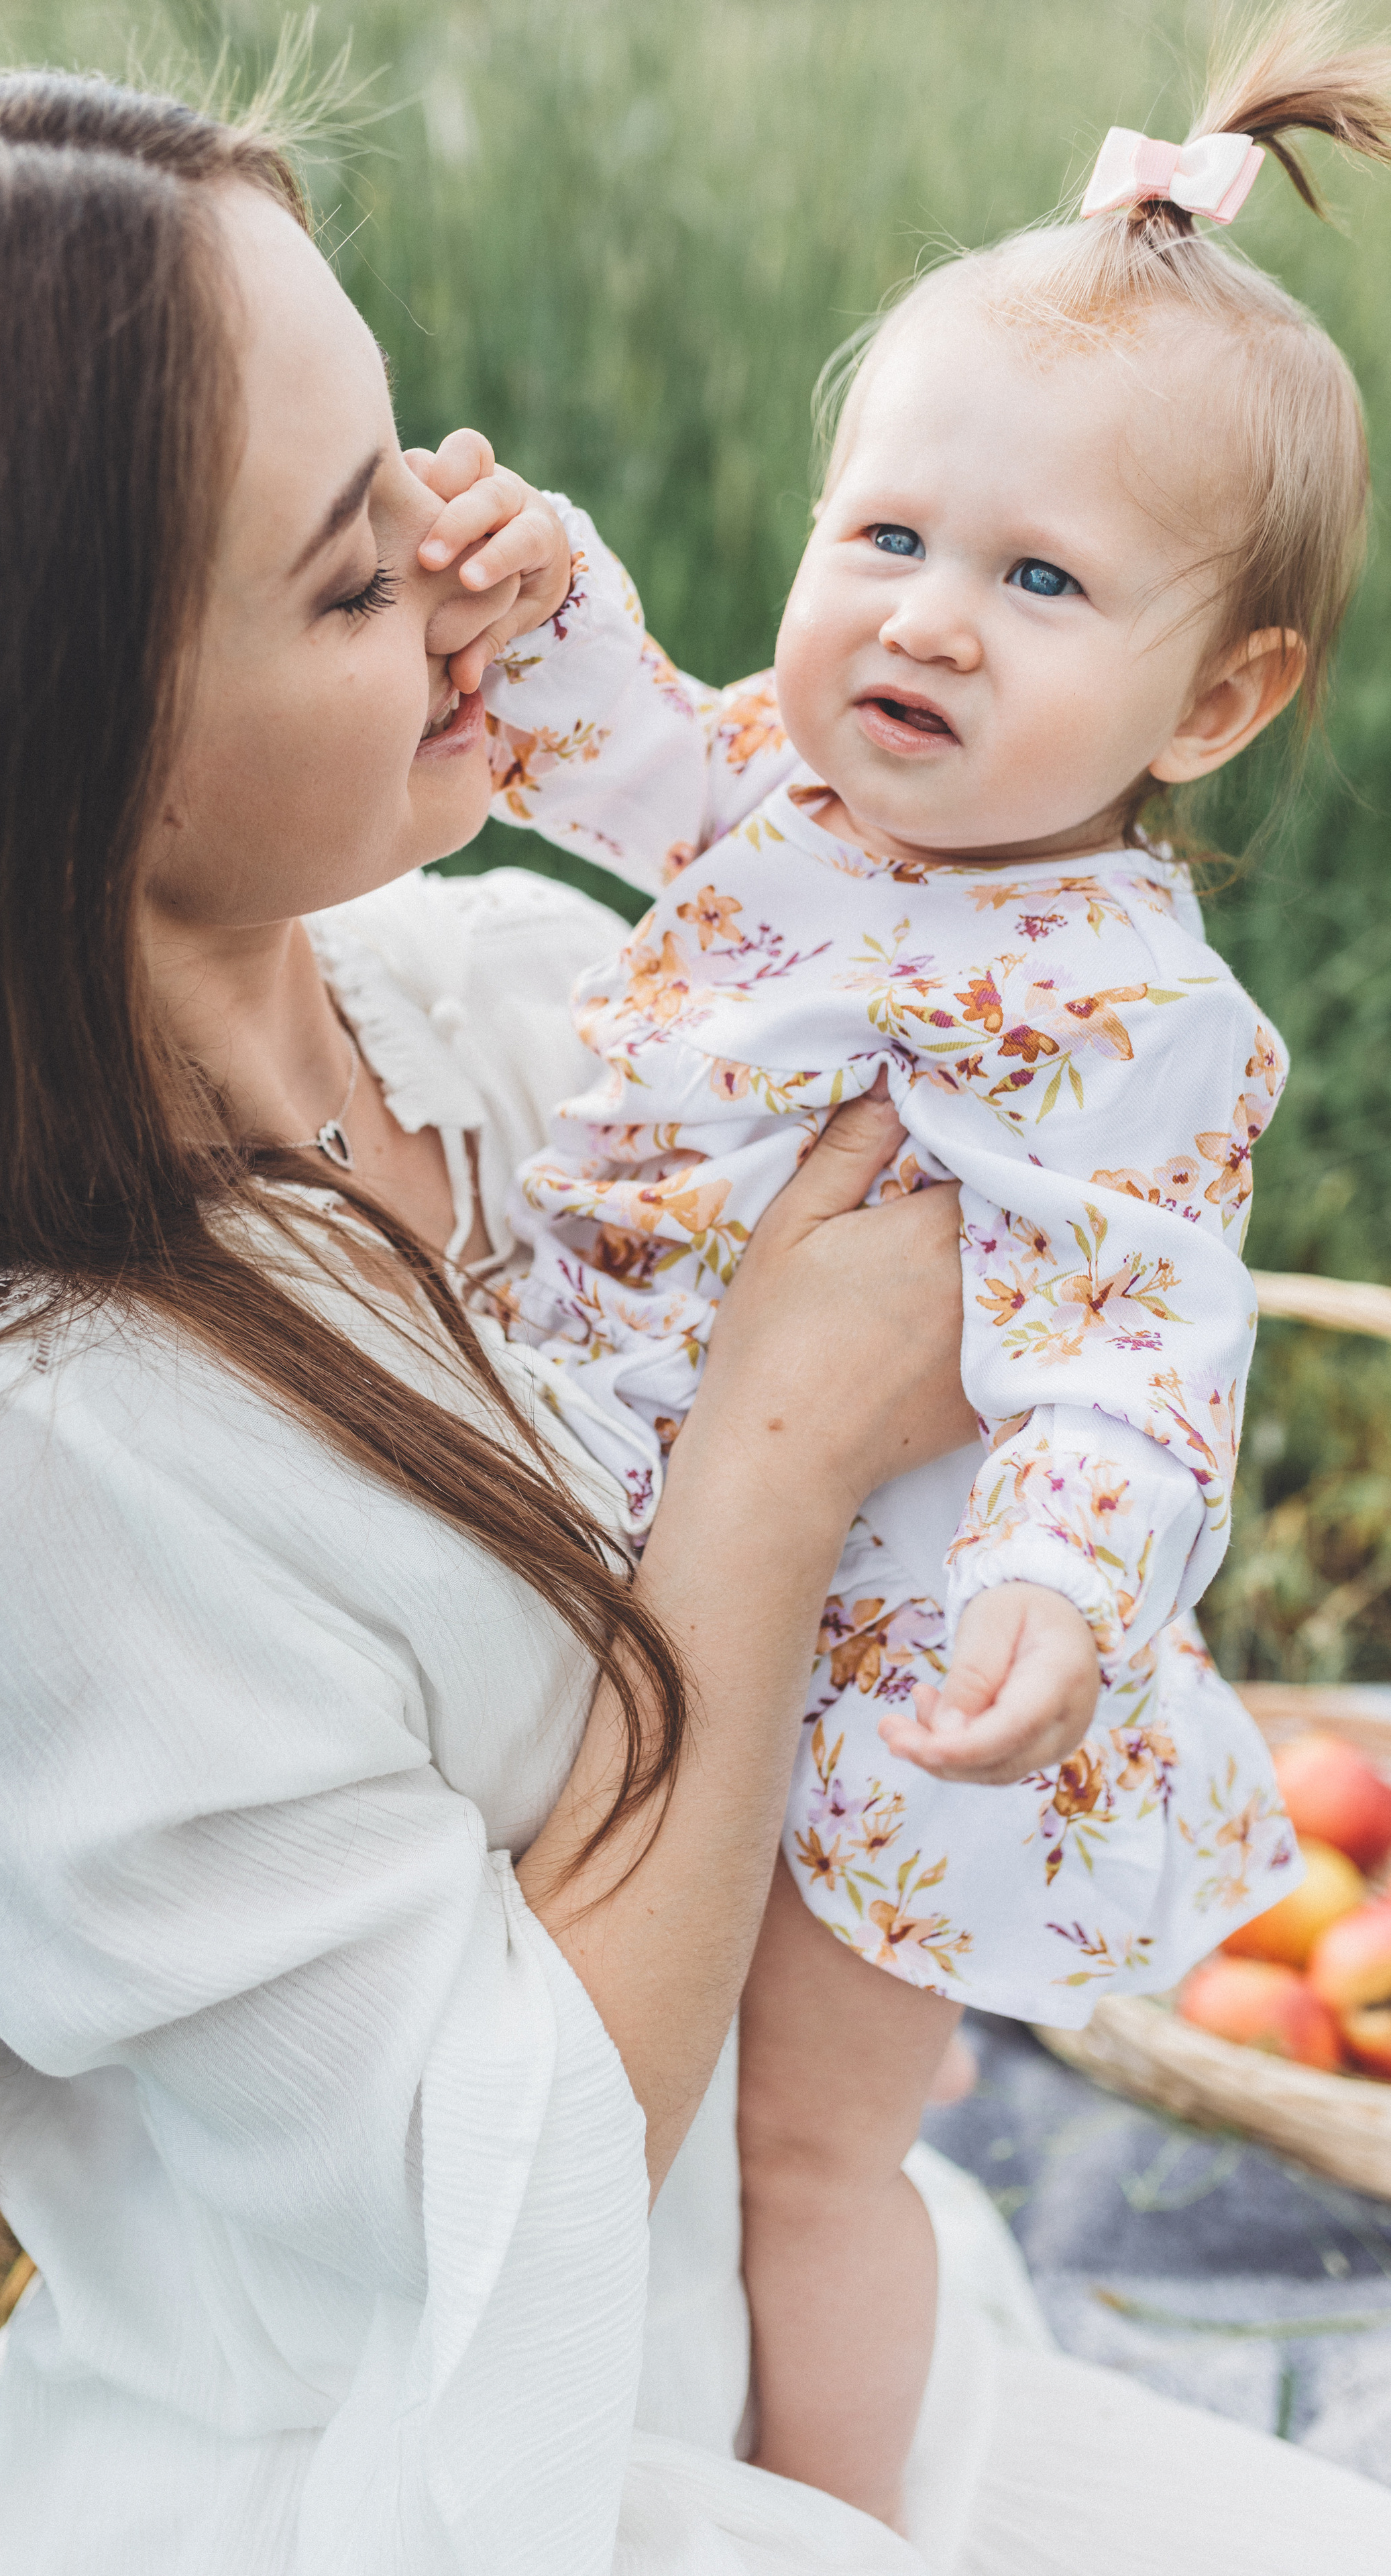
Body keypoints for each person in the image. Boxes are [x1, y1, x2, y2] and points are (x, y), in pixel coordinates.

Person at [0, 62, 1384, 2576]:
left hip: (798, 2337)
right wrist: (780, 1467)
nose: (483, 575)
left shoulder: (494, 1002)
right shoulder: (33, 1460)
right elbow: (496, 2223)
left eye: (434, 488)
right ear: (46, 746)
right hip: (441, 2487)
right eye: (359, 577)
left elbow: (1049, 1295)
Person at [461, 2, 1390, 2528]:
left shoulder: (1135, 1020)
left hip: (899, 1674)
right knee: (608, 2084)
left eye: (1039, 579)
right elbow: (619, 743)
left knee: (806, 2155)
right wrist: (531, 589)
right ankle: (594, 2441)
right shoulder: (778, 797)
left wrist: (1072, 1585)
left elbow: (1136, 1349)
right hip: (652, 1558)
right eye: (886, 538)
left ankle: (828, 2521)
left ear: (1218, 698)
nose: (928, 621)